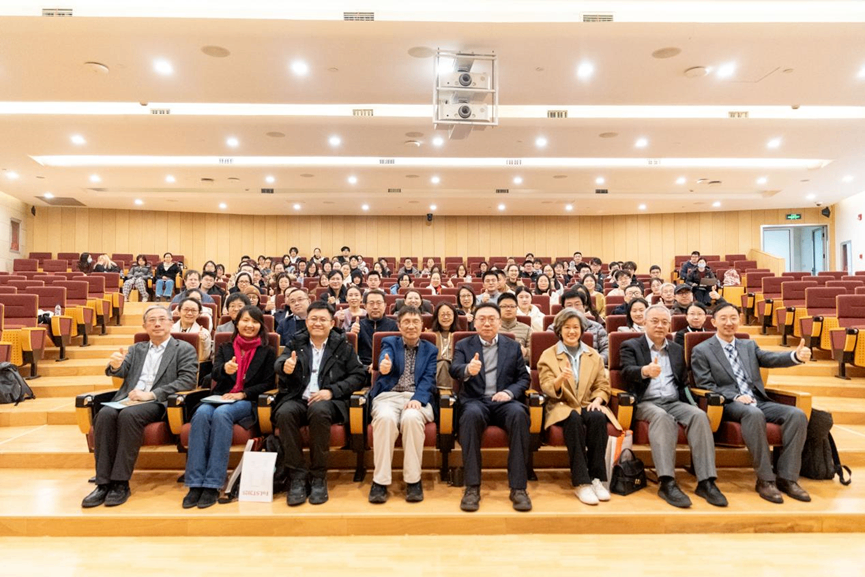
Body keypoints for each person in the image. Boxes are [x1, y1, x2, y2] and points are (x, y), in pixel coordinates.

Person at [691, 302, 812, 503]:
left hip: (757, 399)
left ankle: (787, 478)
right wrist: (735, 396)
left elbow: (770, 358)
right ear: (713, 322)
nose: (729, 323)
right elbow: (706, 384)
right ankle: (765, 479)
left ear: (739, 320)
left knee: (796, 414)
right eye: (723, 318)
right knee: (753, 414)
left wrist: (795, 356)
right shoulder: (702, 350)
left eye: (733, 318)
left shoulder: (748, 345)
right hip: (728, 403)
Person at [82, 305, 198, 508]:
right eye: (152, 320)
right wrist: (115, 366)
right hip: (128, 399)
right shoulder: (137, 349)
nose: (157, 324)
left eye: (162, 319)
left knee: (129, 416)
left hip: (157, 402)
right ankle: (103, 483)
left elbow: (187, 381)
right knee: (105, 414)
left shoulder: (184, 348)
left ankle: (120, 483)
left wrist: (151, 394)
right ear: (145, 326)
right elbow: (120, 371)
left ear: (171, 323)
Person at [619, 304, 727, 508]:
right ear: (644, 322)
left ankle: (706, 481)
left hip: (674, 401)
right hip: (645, 402)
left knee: (699, 416)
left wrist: (693, 403)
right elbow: (626, 372)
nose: (660, 326)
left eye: (664, 322)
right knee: (662, 418)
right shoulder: (631, 345)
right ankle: (667, 481)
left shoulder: (676, 349)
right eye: (655, 321)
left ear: (670, 325)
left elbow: (683, 382)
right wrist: (645, 371)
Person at [182, 305, 276, 509]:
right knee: (201, 413)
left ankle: (212, 483)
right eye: (245, 320)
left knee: (222, 414)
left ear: (261, 326)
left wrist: (244, 393)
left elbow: (268, 383)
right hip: (221, 396)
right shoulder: (225, 348)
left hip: (247, 401)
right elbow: (214, 374)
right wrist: (225, 369)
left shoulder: (267, 351)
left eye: (254, 321)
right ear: (237, 323)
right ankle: (195, 483)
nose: (249, 325)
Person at [274, 301, 367, 506]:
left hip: (329, 401)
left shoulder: (342, 345)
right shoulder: (296, 342)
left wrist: (331, 391)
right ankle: (297, 477)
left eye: (323, 319)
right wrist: (285, 366)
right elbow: (280, 362)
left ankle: (318, 476)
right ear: (307, 321)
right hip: (298, 397)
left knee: (318, 411)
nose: (317, 323)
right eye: (313, 319)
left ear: (332, 323)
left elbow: (359, 375)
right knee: (284, 413)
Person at [449, 302, 532, 512]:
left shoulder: (512, 346)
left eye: (491, 319)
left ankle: (518, 488)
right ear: (475, 323)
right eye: (482, 319)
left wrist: (509, 393)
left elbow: (524, 378)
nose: (487, 323)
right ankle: (472, 487)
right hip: (475, 401)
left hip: (504, 401)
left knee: (519, 414)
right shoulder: (464, 345)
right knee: (470, 416)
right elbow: (454, 369)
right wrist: (468, 369)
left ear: (499, 322)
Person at [538, 308, 619, 505]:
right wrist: (559, 379)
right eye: (567, 327)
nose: (572, 331)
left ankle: (597, 478)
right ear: (559, 330)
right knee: (573, 418)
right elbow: (546, 386)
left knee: (598, 416)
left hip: (586, 402)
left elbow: (602, 385)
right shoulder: (548, 355)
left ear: (582, 330)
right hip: (561, 405)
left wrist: (598, 400)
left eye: (576, 327)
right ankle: (581, 482)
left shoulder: (593, 354)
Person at [368, 306, 437, 504]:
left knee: (412, 419)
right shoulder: (389, 342)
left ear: (422, 325)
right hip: (388, 397)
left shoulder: (431, 349)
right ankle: (380, 481)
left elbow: (429, 378)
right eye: (406, 322)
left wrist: (418, 399)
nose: (411, 326)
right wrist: (384, 365)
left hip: (417, 398)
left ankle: (413, 480)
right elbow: (385, 357)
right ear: (399, 325)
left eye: (415, 322)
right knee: (385, 419)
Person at [550, 289, 609, 366]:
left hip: (593, 366)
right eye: (569, 305)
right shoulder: (554, 328)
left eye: (577, 304)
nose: (573, 308)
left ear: (584, 307)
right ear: (563, 309)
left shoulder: (597, 327)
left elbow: (607, 349)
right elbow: (549, 350)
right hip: (562, 367)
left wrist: (595, 362)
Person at [172, 297, 213, 383]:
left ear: (199, 314)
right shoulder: (168, 330)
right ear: (179, 311)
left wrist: (202, 341)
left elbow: (203, 358)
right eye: (186, 310)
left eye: (194, 310)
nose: (189, 313)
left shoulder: (204, 332)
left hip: (191, 369)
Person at [356, 289, 399, 367]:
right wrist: (352, 333)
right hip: (362, 368)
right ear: (365, 306)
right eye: (371, 303)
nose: (375, 307)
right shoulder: (357, 325)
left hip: (388, 366)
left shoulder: (395, 325)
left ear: (385, 305)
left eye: (379, 303)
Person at [430, 301, 458, 389]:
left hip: (455, 371)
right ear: (437, 317)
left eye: (449, 314)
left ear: (454, 316)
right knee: (443, 363)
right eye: (442, 315)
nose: (446, 317)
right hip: (433, 370)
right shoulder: (430, 335)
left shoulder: (459, 335)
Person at [497, 292, 531, 363]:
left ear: (517, 308)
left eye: (512, 306)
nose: (508, 309)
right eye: (504, 306)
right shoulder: (491, 328)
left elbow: (535, 353)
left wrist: (525, 352)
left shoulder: (527, 329)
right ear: (497, 309)